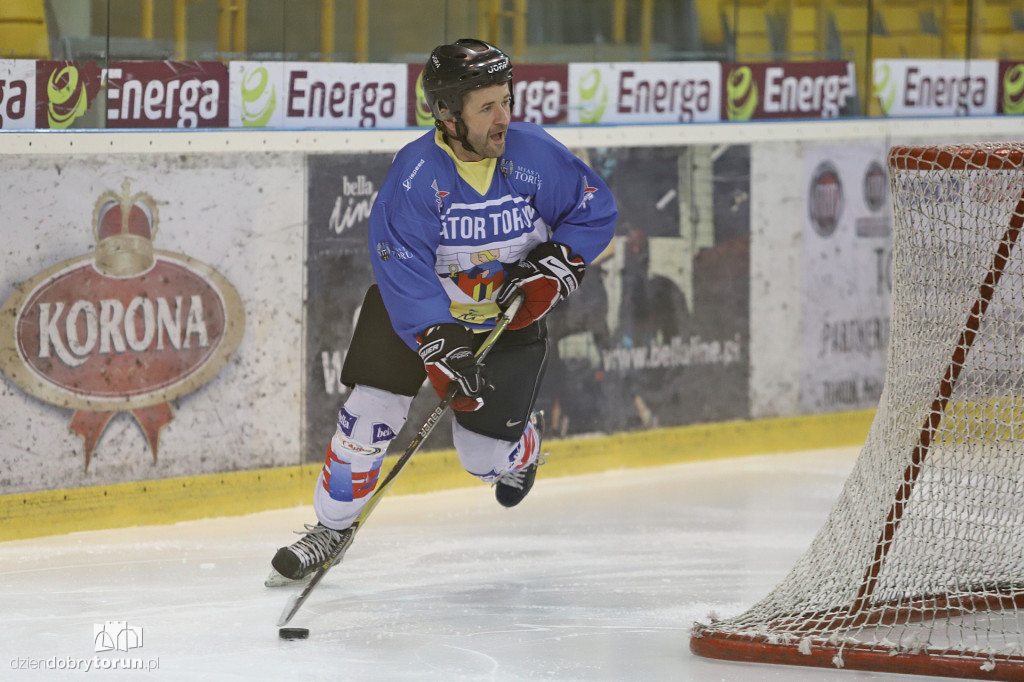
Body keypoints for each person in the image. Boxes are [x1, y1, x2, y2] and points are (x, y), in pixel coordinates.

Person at [267, 38, 617, 585]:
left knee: (481, 459)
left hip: (507, 322)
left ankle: (521, 446)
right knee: (369, 414)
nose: (504, 117)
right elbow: (399, 263)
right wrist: (436, 335)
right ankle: (330, 529)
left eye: (507, 100)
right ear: (447, 114)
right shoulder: (416, 176)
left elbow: (594, 208)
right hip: (418, 315)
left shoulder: (533, 154)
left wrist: (557, 262)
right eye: (487, 107)